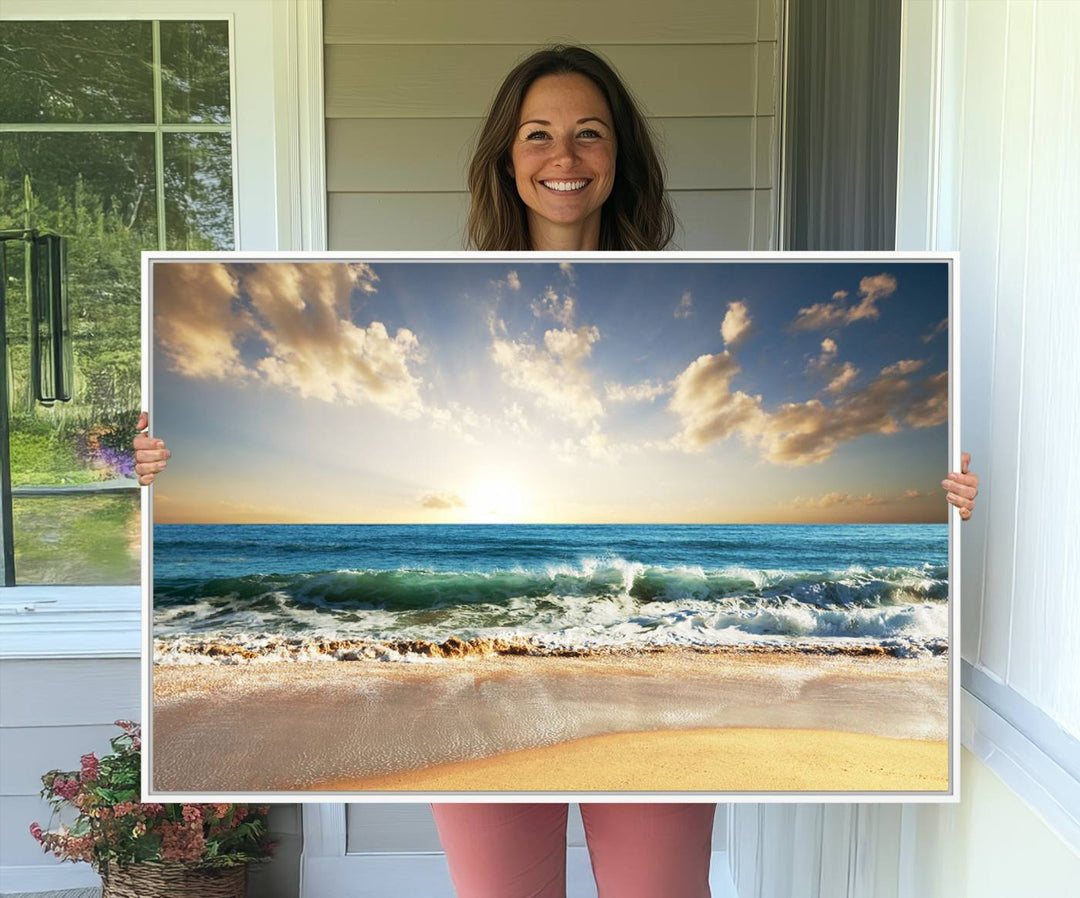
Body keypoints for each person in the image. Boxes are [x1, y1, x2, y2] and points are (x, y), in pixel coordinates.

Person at [133, 45, 979, 898]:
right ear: (508, 156)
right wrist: (163, 467)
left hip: (659, 679)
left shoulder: (685, 300)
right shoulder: (454, 302)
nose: (563, 157)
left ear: (620, 158)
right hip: (474, 690)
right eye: (538, 135)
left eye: (589, 134)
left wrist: (941, 506)